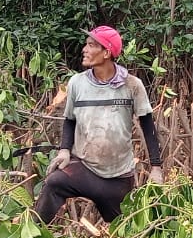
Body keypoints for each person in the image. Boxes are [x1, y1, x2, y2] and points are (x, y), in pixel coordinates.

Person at [33, 26, 164, 224]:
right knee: (54, 182)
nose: (84, 49)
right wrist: (64, 151)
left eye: (91, 45)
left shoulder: (132, 85)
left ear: (106, 53)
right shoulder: (77, 83)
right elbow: (70, 119)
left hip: (119, 177)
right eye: (86, 44)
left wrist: (156, 167)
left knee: (123, 229)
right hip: (84, 169)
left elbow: (148, 125)